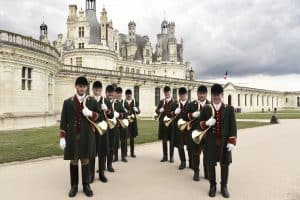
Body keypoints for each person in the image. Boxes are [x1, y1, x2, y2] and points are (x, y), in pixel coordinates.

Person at [59, 76, 99, 197]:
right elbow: (63, 120)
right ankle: (74, 186)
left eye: (84, 86)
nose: (82, 88)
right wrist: (62, 137)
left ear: (87, 88)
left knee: (85, 160)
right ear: (76, 86)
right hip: (72, 136)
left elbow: (100, 117)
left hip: (86, 135)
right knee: (74, 160)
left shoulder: (92, 101)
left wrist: (91, 113)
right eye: (80, 86)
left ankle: (86, 185)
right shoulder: (67, 102)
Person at [199, 84, 237, 198]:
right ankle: (212, 186)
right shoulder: (206, 108)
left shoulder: (229, 109)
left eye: (218, 95)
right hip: (210, 141)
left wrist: (232, 140)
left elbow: (233, 126)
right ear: (212, 95)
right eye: (214, 95)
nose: (216, 97)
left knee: (225, 163)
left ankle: (224, 186)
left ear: (222, 95)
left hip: (224, 141)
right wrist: (206, 123)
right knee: (210, 163)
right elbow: (200, 125)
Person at [187, 85, 210, 181]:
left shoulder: (210, 105)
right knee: (196, 154)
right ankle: (196, 172)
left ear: (206, 94)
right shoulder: (192, 104)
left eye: (203, 93)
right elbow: (185, 116)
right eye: (200, 93)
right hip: (196, 133)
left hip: (207, 135)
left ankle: (207, 173)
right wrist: (192, 115)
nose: (201, 95)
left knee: (207, 154)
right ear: (197, 94)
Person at [89, 81, 109, 183]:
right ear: (93, 90)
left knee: (102, 152)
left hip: (102, 129)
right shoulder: (89, 100)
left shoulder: (105, 100)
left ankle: (101, 173)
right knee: (92, 153)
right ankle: (91, 175)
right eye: (95, 90)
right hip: (92, 130)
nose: (97, 91)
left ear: (101, 90)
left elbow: (111, 116)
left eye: (99, 90)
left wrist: (107, 110)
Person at [155, 86, 176, 163]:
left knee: (171, 141)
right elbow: (156, 111)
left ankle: (171, 157)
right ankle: (165, 156)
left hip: (171, 124)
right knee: (164, 140)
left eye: (168, 92)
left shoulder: (174, 102)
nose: (167, 93)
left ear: (170, 92)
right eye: (165, 92)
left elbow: (176, 113)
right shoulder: (161, 102)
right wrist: (160, 110)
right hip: (163, 124)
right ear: (164, 93)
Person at [171, 87, 190, 170]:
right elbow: (169, 114)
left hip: (188, 129)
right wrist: (174, 112)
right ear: (179, 95)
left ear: (186, 95)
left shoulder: (191, 104)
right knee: (180, 146)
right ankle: (183, 161)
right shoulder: (175, 104)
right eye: (181, 94)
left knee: (190, 146)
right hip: (179, 129)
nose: (182, 96)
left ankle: (192, 162)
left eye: (184, 94)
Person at [113, 87, 129, 162]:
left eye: (120, 93)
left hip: (122, 124)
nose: (119, 94)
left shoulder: (124, 102)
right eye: (117, 93)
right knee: (115, 141)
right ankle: (115, 156)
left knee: (123, 140)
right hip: (114, 124)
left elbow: (127, 113)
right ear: (114, 93)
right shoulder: (112, 102)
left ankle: (123, 156)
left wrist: (121, 114)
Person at [104, 85, 117, 172]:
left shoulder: (118, 103)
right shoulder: (102, 101)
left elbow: (125, 114)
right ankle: (102, 166)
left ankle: (109, 165)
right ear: (106, 93)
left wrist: (119, 114)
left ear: (114, 93)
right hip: (104, 127)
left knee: (111, 147)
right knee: (103, 147)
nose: (110, 94)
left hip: (113, 128)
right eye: (109, 92)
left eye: (111, 92)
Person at [124, 89, 140, 158]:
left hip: (133, 121)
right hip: (126, 121)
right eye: (127, 94)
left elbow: (138, 111)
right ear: (126, 95)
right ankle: (125, 152)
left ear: (131, 94)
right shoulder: (123, 102)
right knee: (125, 137)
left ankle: (132, 152)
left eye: (129, 94)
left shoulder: (135, 102)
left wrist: (137, 110)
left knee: (132, 138)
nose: (128, 95)